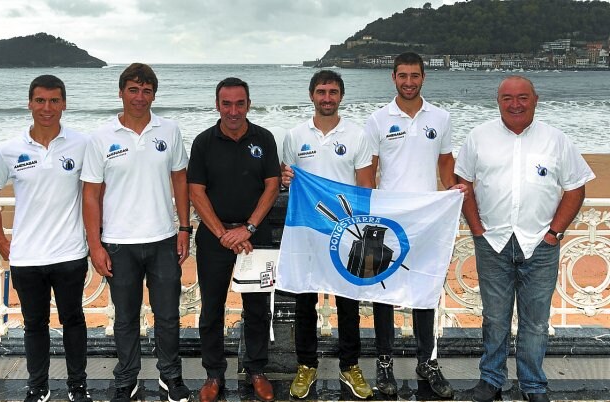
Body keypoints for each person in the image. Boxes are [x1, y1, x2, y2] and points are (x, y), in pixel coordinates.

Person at [455, 76, 595, 402]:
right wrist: (477, 230)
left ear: (535, 99)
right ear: (498, 100)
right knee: (494, 318)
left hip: (540, 245)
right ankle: (491, 381)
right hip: (493, 242)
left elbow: (576, 188)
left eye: (522, 97)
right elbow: (464, 184)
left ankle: (533, 385)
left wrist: (554, 233)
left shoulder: (556, 140)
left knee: (535, 322)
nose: (515, 104)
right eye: (507, 98)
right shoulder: (478, 138)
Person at [81, 63, 191, 402]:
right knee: (125, 318)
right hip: (118, 244)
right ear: (121, 92)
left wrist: (184, 228)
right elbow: (91, 193)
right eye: (133, 89)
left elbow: (180, 181)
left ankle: (170, 376)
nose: (139, 97)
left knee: (169, 315)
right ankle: (126, 378)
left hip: (162, 239)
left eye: (146, 91)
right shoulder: (101, 137)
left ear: (154, 94)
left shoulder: (169, 130)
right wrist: (95, 244)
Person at [364, 52, 467, 398]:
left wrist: (453, 193)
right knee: (383, 293)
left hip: (428, 221)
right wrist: (368, 214)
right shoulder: (378, 119)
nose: (409, 82)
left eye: (415, 76)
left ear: (424, 78)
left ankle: (428, 360)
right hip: (388, 219)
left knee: (426, 291)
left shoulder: (441, 117)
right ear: (393, 77)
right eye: (403, 76)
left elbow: (445, 164)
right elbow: (368, 171)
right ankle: (384, 362)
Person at [0, 75, 91, 402]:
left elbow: (95, 193)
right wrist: (1, 242)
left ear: (64, 103)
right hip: (27, 257)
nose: (47, 108)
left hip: (70, 253)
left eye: (54, 101)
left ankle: (77, 387)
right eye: (41, 100)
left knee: (74, 320)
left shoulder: (82, 144)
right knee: (35, 326)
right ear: (30, 103)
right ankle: (38, 387)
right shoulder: (7, 150)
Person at [281, 70, 375, 400]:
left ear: (341, 96)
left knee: (348, 302)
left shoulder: (358, 135)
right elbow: (286, 180)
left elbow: (365, 185)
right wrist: (285, 178)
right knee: (304, 301)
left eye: (333, 92)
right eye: (321, 91)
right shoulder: (294, 136)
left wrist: (362, 232)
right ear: (311, 95)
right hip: (306, 232)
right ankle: (306, 365)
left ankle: (350, 365)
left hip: (346, 233)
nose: (327, 97)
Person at [188, 77, 280, 402]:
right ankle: (214, 374)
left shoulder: (264, 139)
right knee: (211, 309)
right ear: (217, 105)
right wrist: (224, 234)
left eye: (239, 103)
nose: (233, 111)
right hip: (215, 239)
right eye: (226, 104)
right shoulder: (203, 143)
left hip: (256, 237)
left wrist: (249, 229)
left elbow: (272, 186)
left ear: (248, 105)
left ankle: (256, 370)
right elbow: (195, 192)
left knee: (257, 309)